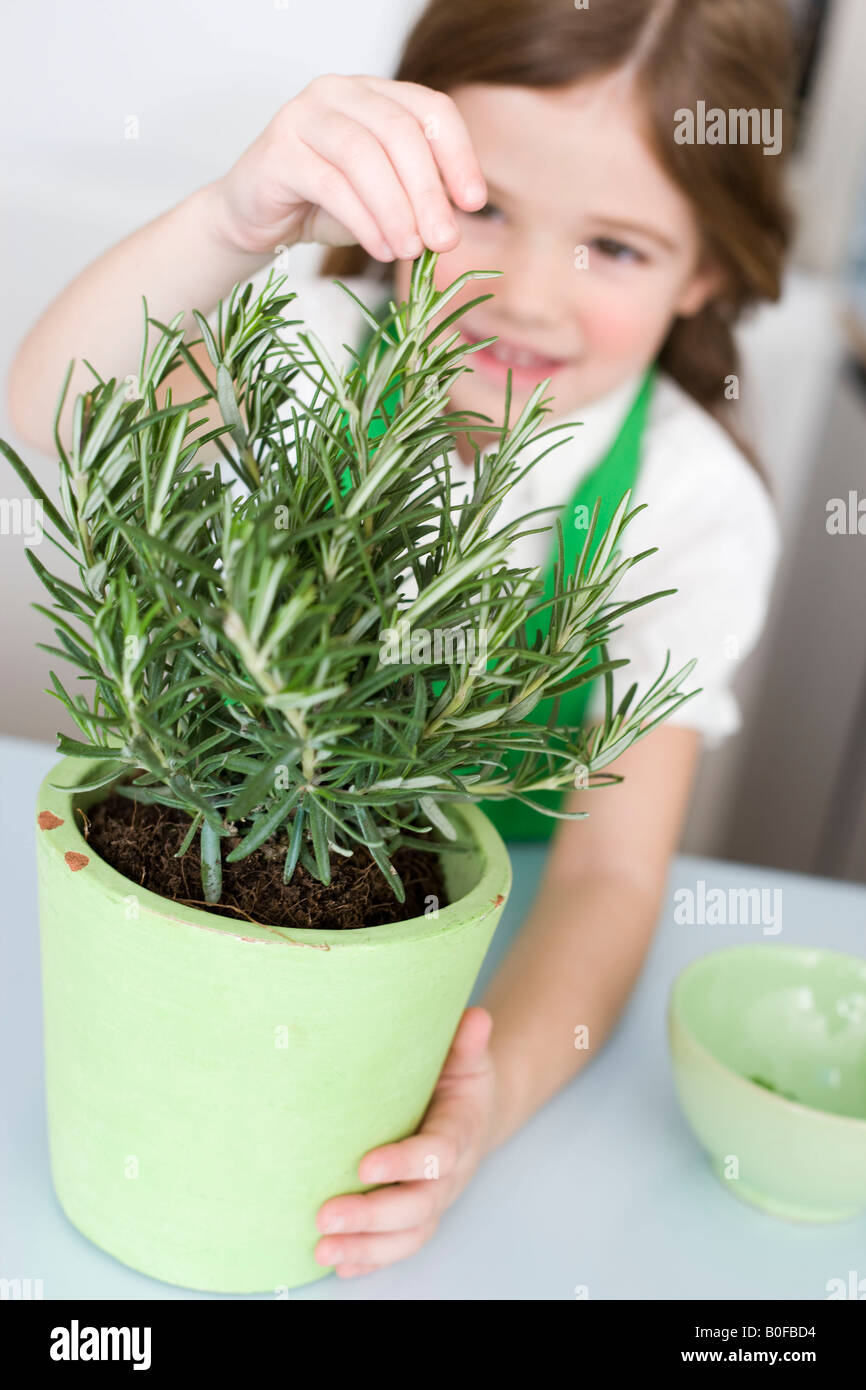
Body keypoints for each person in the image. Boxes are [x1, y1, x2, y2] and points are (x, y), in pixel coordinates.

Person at [7, 0, 794, 1280]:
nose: (527, 291)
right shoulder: (315, 358)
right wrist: (230, 220)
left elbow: (607, 878)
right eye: (480, 205)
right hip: (205, 896)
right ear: (397, 183)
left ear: (705, 266)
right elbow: (55, 417)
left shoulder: (688, 509)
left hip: (448, 971)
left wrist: (482, 1101)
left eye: (614, 245)